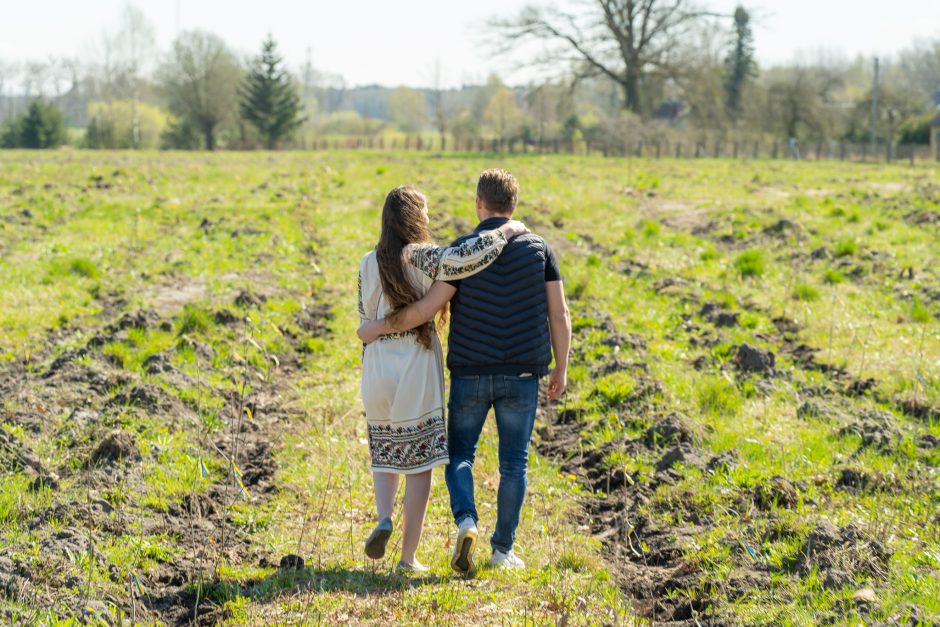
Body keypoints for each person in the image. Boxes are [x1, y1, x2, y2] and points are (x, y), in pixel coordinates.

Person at [359, 169, 571, 574]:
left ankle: (451, 520)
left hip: (452, 370)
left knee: (443, 454)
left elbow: (416, 308)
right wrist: (561, 365)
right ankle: (495, 551)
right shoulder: (535, 249)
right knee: (507, 464)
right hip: (514, 372)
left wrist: (374, 329)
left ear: (479, 203)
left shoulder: (414, 258)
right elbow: (558, 314)